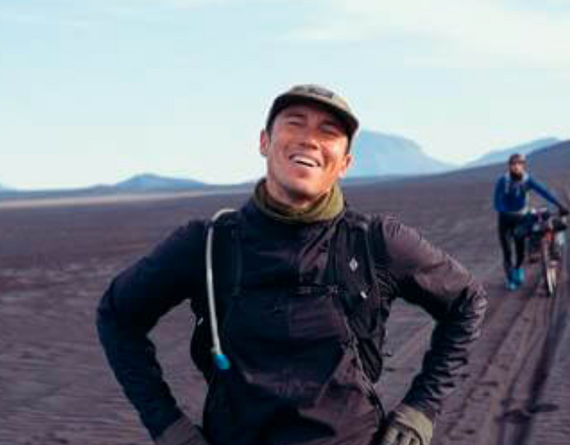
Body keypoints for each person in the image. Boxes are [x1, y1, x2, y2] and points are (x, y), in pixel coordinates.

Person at [97, 84, 487, 445]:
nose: (310, 139)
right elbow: (116, 315)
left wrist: (421, 409)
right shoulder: (208, 244)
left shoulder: (376, 242)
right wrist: (169, 427)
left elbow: (467, 300)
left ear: (345, 162)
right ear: (264, 142)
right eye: (295, 123)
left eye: (328, 131)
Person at [493, 153, 569, 291]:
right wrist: (506, 211)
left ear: (523, 166)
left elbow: (544, 191)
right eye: (513, 164)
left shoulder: (527, 180)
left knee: (520, 249)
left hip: (520, 218)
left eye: (519, 164)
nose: (516, 167)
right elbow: (497, 202)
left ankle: (518, 268)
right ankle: (510, 280)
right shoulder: (503, 181)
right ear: (509, 166)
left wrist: (559, 204)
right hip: (505, 220)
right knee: (507, 251)